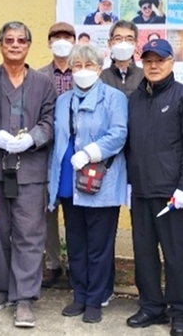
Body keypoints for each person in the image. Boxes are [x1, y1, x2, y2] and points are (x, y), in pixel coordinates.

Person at [0, 21, 57, 328]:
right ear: (0, 43)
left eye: (20, 40)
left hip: (31, 170)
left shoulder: (42, 83)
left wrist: (32, 137)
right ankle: (2, 289)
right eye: (8, 40)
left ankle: (24, 298)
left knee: (30, 234)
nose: (14, 45)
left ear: (28, 45)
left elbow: (50, 121)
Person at [125, 38, 183, 336]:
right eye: (148, 61)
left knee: (176, 255)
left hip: (174, 195)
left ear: (172, 62)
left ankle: (180, 312)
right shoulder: (134, 98)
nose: (153, 66)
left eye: (160, 60)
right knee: (143, 253)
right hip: (142, 191)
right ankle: (151, 307)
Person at [48, 43, 127, 324]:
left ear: (99, 67)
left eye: (88, 66)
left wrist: (89, 153)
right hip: (70, 181)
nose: (82, 71)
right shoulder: (62, 100)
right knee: (76, 242)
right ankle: (79, 294)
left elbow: (118, 134)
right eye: (77, 66)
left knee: (99, 246)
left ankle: (95, 299)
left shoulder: (114, 98)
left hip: (100, 182)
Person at [38, 21, 77, 288]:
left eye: (67, 36)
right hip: (46, 153)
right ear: (49, 42)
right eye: (56, 37)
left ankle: (76, 264)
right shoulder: (39, 76)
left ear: (75, 40)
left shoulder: (85, 72)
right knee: (47, 213)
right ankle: (53, 264)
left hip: (77, 154)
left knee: (76, 212)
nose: (62, 40)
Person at [99, 21, 144, 97]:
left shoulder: (144, 76)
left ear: (135, 44)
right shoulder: (101, 77)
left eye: (129, 39)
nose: (123, 43)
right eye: (118, 38)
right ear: (110, 43)